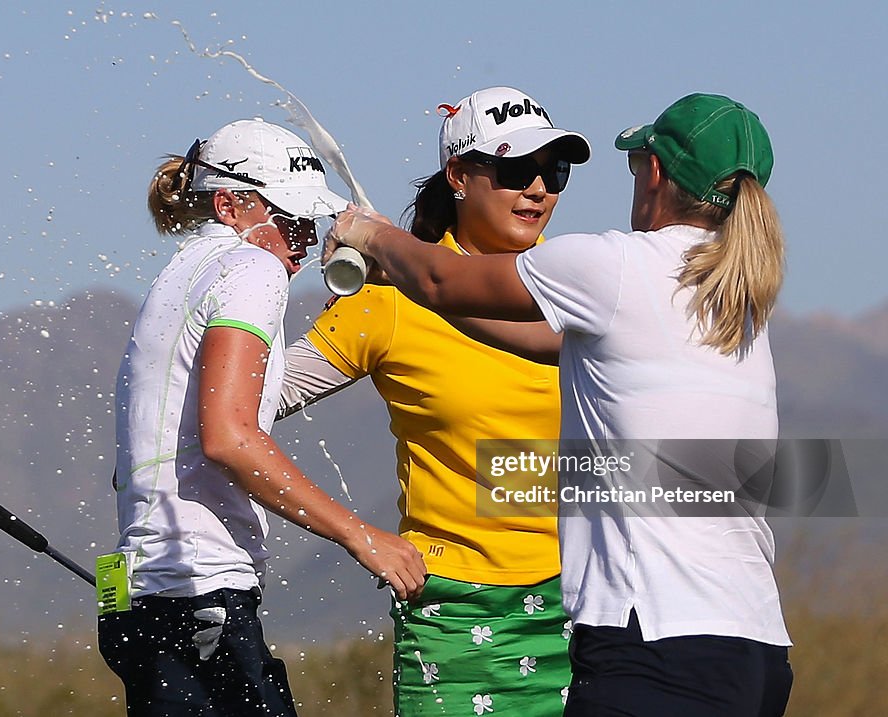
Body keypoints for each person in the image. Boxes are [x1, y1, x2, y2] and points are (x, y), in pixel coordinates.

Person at [326, 93, 793, 717]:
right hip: (755, 646)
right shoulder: (731, 297)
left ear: (653, 172)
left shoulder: (614, 266)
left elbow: (444, 278)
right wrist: (405, 285)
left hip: (653, 643)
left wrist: (371, 235)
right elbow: (532, 335)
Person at [279, 87, 591, 716]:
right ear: (458, 175)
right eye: (512, 170)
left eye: (553, 172)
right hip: (457, 616)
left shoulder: (583, 286)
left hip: (590, 611)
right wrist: (246, 280)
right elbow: (249, 403)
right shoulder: (387, 297)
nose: (538, 189)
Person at [98, 118, 426, 717]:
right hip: (199, 596)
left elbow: (232, 403)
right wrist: (360, 534)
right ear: (229, 204)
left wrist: (348, 318)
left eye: (312, 222)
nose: (302, 241)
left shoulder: (186, 270)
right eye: (291, 218)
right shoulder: (253, 269)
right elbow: (230, 437)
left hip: (148, 599)